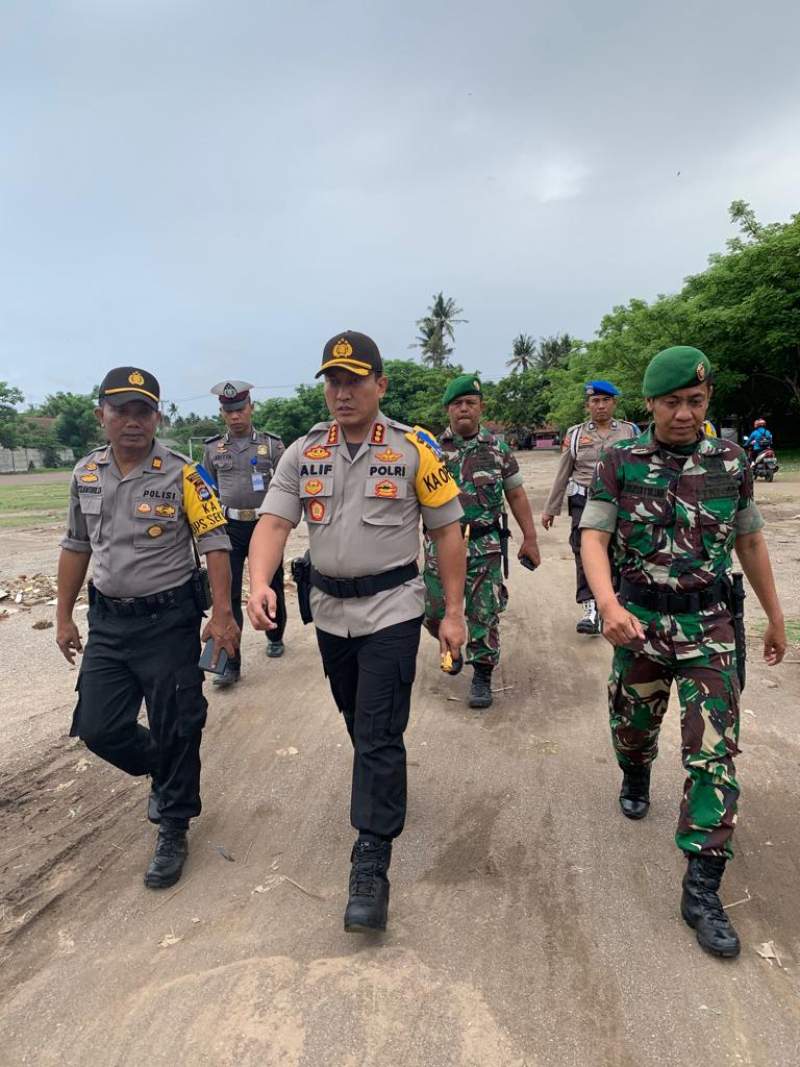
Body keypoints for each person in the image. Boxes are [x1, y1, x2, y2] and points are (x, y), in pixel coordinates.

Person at [246, 331, 466, 933]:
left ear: (380, 384)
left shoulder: (414, 448)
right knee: (358, 719)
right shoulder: (303, 451)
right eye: (333, 381)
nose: (342, 392)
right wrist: (259, 581)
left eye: (354, 380)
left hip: (393, 609)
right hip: (331, 614)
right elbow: (271, 523)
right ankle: (383, 777)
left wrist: (452, 613)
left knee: (374, 729)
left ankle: (371, 861)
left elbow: (448, 532)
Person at [579, 346, 786, 959]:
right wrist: (609, 606)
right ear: (650, 404)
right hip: (639, 623)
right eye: (672, 402)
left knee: (713, 755)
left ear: (708, 401)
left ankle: (702, 885)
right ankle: (636, 769)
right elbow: (593, 536)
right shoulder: (620, 460)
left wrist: (776, 618)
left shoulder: (731, 458)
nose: (684, 413)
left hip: (711, 626)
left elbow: (748, 540)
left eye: (695, 402)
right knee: (632, 726)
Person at [56, 367, 240, 889]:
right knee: (98, 726)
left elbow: (215, 544)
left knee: (177, 719)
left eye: (143, 411)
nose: (132, 422)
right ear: (102, 416)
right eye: (121, 411)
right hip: (109, 622)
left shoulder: (184, 473)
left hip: (168, 620)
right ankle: (165, 769)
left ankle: (175, 825)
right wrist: (64, 613)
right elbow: (76, 545)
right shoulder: (85, 473)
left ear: (158, 417)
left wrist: (222, 614)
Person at [423, 374, 540, 709]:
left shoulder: (498, 450)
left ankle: (482, 675)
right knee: (431, 609)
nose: (464, 409)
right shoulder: (431, 451)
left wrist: (529, 537)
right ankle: (450, 640)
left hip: (484, 546)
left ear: (480, 408)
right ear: (448, 409)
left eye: (470, 403)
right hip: (439, 547)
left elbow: (516, 494)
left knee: (484, 613)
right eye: (457, 404)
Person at [203, 380, 286, 687]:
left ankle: (275, 633)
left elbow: (287, 485)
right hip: (229, 528)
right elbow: (207, 490)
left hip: (263, 525)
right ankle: (229, 664)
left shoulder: (272, 445)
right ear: (223, 413)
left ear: (251, 408)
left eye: (240, 409)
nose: (235, 416)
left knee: (271, 583)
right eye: (229, 411)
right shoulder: (213, 449)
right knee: (229, 594)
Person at [541, 381, 637, 634]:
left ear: (614, 403)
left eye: (606, 400)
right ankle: (590, 607)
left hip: (620, 501)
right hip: (584, 500)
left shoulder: (630, 433)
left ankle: (616, 601)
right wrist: (551, 508)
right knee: (584, 552)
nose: (601, 406)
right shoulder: (575, 435)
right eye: (595, 401)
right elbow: (563, 473)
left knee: (621, 549)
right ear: (588, 405)